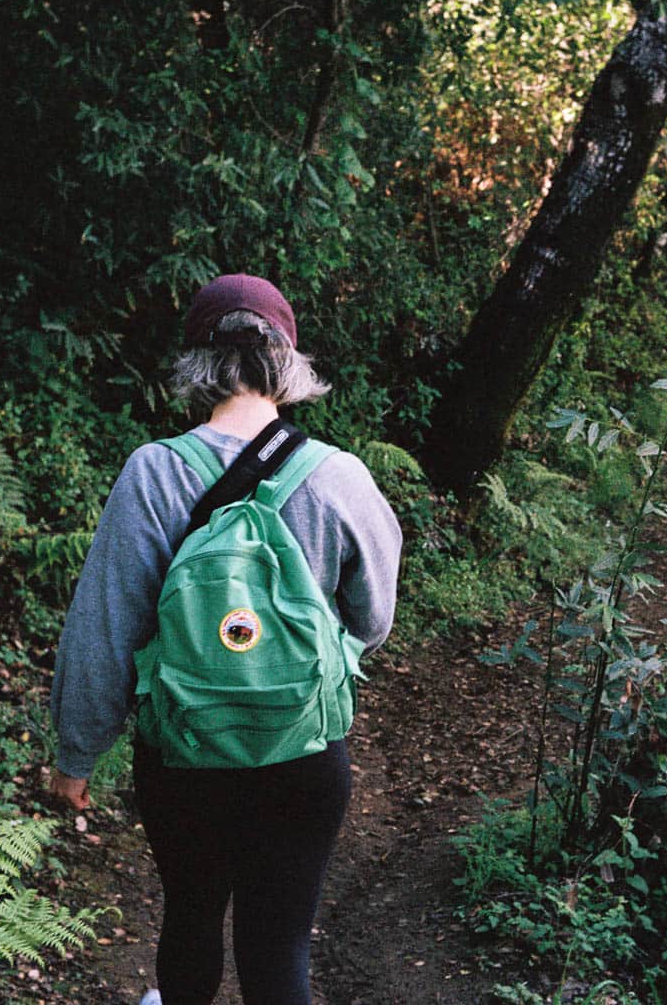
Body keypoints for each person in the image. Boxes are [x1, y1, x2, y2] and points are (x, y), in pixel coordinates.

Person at [48, 274, 402, 1005]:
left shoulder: (154, 472)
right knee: (278, 952)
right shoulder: (341, 477)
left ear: (198, 363)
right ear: (286, 361)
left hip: (183, 757)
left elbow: (104, 629)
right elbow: (373, 622)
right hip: (302, 756)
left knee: (190, 922)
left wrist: (77, 754)